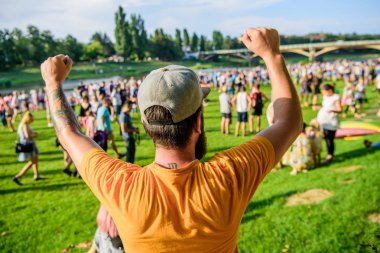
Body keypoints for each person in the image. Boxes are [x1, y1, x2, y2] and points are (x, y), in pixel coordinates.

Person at [41, 28, 302, 252]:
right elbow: (288, 124)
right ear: (198, 123)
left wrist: (53, 83)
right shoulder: (229, 176)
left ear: (145, 125)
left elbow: (69, 133)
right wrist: (272, 54)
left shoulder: (119, 185)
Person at [13, 111, 42, 185]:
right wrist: (35, 135)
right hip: (28, 145)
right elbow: (27, 136)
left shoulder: (22, 124)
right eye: (31, 120)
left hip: (28, 144)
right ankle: (18, 176)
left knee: (35, 160)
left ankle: (37, 175)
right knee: (32, 161)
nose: (31, 122)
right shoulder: (24, 125)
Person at [317, 84, 342, 163]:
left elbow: (339, 109)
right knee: (326, 138)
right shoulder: (325, 97)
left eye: (325, 91)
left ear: (330, 90)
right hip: (324, 121)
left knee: (329, 139)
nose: (324, 93)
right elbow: (325, 107)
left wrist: (330, 110)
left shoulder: (336, 97)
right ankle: (329, 154)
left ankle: (330, 156)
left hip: (331, 121)